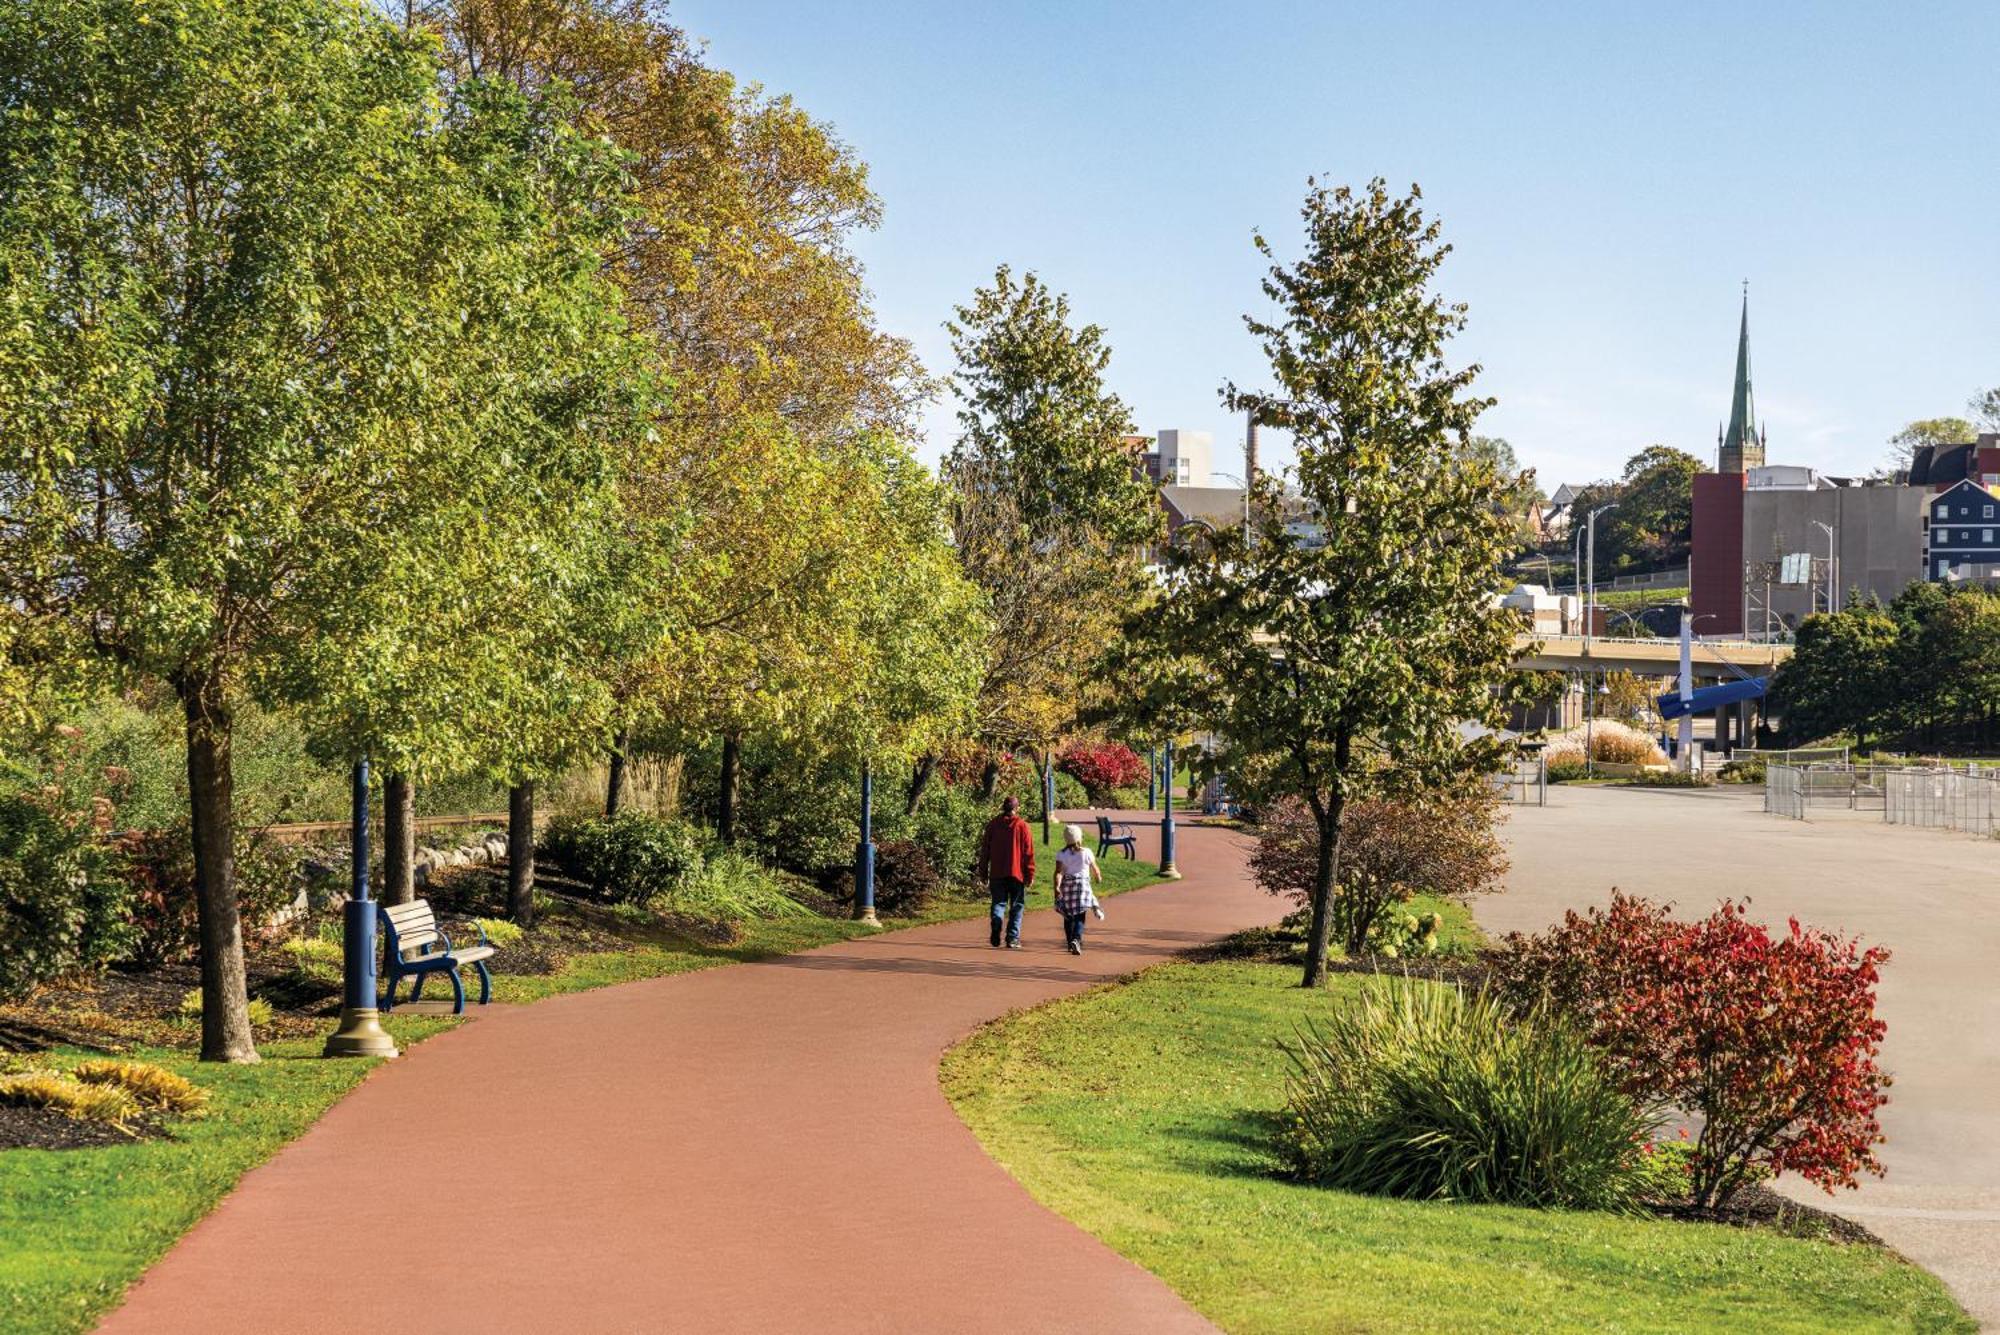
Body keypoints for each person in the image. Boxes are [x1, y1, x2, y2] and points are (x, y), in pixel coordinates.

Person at [976, 795, 1035, 949]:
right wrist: (1030, 874)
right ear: (1017, 808)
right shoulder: (1023, 826)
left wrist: (983, 871)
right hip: (1017, 873)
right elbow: (1028, 853)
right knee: (1017, 905)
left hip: (997, 872)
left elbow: (985, 851)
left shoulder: (993, 825)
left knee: (998, 902)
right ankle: (1012, 938)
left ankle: (997, 921)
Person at [1051, 823, 1104, 955]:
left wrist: (1057, 887)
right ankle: (1076, 939)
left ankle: (1070, 942)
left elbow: (1059, 872)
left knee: (1068, 915)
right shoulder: (1086, 852)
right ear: (1079, 838)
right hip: (1082, 885)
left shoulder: (1061, 854)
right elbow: (1095, 867)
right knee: (1080, 915)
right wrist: (1098, 876)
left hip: (1067, 884)